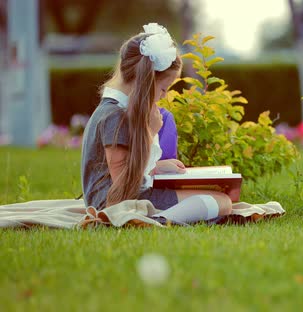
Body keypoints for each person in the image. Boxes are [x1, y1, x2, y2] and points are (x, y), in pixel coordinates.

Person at [81, 23, 231, 222]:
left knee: (219, 200)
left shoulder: (117, 110)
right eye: (163, 89)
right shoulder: (114, 116)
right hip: (112, 204)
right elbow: (122, 190)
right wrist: (151, 134)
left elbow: (128, 166)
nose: (164, 96)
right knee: (222, 202)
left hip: (125, 196)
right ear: (146, 81)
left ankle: (165, 217)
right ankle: (156, 221)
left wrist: (159, 166)